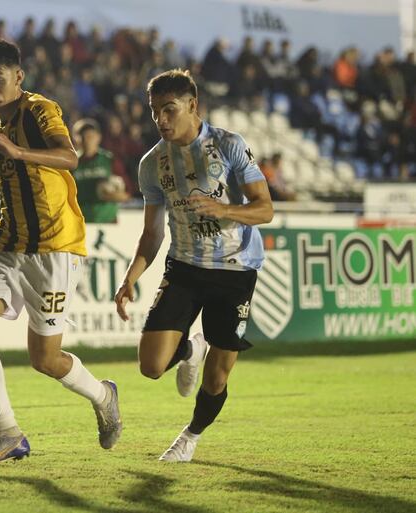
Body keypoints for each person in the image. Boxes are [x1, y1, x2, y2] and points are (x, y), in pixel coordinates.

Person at [0, 37, 122, 468]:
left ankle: (103, 395)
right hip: (9, 244)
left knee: (44, 360)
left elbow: (70, 157)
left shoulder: (40, 110)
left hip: (54, 247)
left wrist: (16, 151)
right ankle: (9, 433)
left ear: (18, 78)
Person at [114, 69, 273, 462]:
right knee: (151, 366)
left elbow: (265, 208)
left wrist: (223, 209)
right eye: (155, 113)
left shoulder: (229, 146)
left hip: (235, 270)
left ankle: (191, 436)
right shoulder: (152, 164)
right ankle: (189, 349)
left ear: (192, 106)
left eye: (169, 110)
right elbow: (152, 233)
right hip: (184, 265)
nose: (161, 121)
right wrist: (131, 277)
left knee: (217, 376)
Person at [72, 118, 130, 223]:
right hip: (81, 223)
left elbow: (127, 192)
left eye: (90, 136)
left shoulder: (110, 160)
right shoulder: (71, 163)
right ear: (76, 139)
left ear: (99, 137)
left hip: (108, 222)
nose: (87, 140)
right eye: (83, 137)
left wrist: (114, 195)